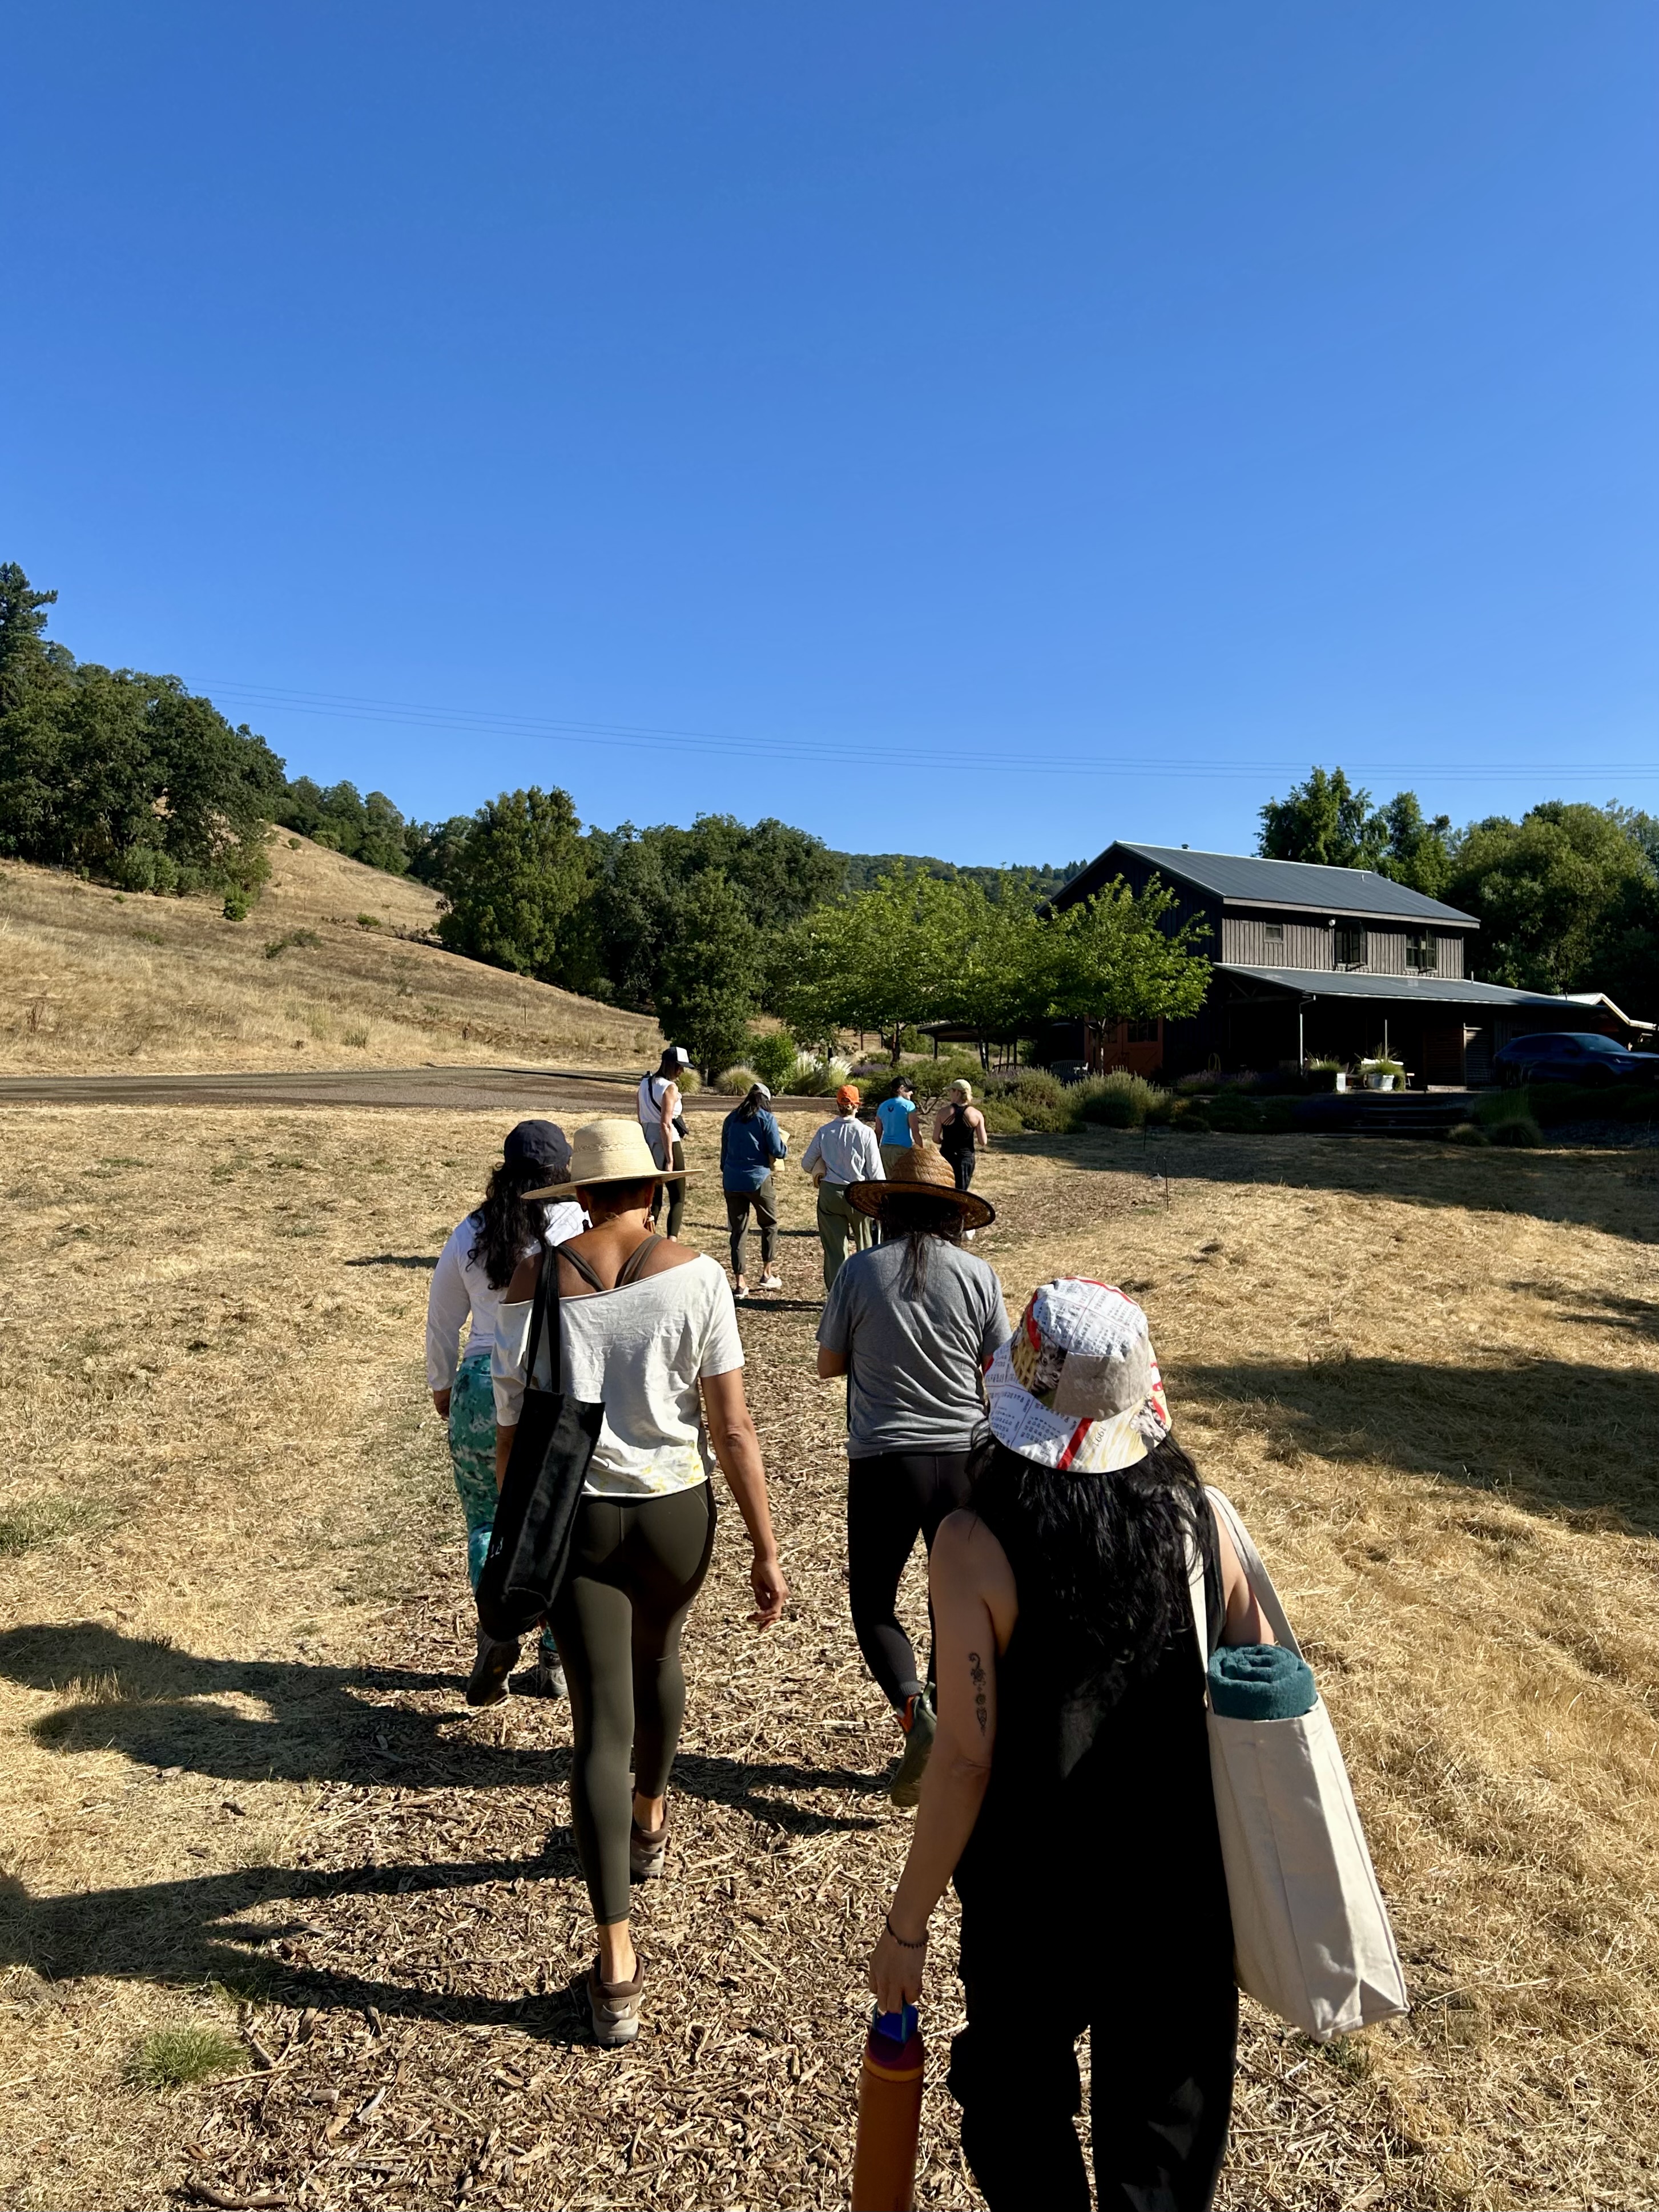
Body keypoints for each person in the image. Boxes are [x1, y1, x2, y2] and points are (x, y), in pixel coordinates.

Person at [868, 1280, 1269, 2212]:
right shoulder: (1203, 1522)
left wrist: (905, 1927)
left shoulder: (972, 1544)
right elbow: (1258, 1697)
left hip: (1029, 1904)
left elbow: (965, 1762)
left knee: (1016, 2113)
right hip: (1178, 1897)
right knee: (1163, 2151)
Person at [492, 1118, 788, 2049]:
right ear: (652, 1191)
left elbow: (514, 1423)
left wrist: (517, 1525)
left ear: (580, 1197)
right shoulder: (699, 1276)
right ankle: (652, 1820)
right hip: (676, 1512)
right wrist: (764, 1546)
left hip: (579, 1518)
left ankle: (616, 1964)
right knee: (662, 1655)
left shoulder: (542, 1277)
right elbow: (732, 1429)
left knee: (596, 1726)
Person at [816, 1145, 1008, 1806]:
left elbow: (827, 1363)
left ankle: (913, 1714)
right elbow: (998, 1366)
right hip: (965, 1458)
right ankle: (949, 1726)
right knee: (951, 1604)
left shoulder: (858, 1271)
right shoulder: (978, 1274)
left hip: (883, 1461)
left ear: (888, 1208)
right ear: (952, 1215)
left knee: (872, 1603)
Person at [425, 1120, 583, 1702]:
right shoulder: (576, 1224)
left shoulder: (472, 1229)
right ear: (563, 1170)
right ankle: (554, 1657)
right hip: (548, 1381)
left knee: (486, 1520)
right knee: (556, 1519)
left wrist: (443, 1386)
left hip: (478, 1381)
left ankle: (496, 1628)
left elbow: (442, 1319)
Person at [799, 1084, 884, 1293]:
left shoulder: (825, 1131)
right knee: (867, 1247)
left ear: (838, 1104)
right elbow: (875, 1172)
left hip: (830, 1193)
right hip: (859, 1195)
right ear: (858, 1105)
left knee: (835, 1249)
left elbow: (806, 1164)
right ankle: (867, 1292)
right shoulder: (865, 1133)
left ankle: (838, 1294)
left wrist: (824, 1166)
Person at [720, 1081, 787, 1296]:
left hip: (732, 1180)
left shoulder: (731, 1119)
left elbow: (723, 1157)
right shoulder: (766, 1119)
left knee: (738, 1231)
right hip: (758, 1179)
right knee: (769, 1224)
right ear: (765, 1100)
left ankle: (740, 1283)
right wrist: (785, 1147)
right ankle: (767, 1273)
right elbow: (777, 1151)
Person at [637, 1046, 690, 1241]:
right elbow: (666, 1124)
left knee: (654, 1196)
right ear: (671, 1065)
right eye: (680, 1066)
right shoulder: (670, 1088)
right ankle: (672, 1240)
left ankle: (645, 1237)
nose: (682, 1071)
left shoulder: (645, 1083)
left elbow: (640, 1115)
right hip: (666, 1140)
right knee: (678, 1197)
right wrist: (670, 1159)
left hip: (646, 1139)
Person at [933, 1080, 989, 1228]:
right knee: (961, 1192)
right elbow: (983, 1141)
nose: (950, 1094)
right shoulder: (976, 1114)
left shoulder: (943, 1112)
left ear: (957, 1093)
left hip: (946, 1156)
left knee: (944, 1190)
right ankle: (958, 1224)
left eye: (951, 1091)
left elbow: (935, 1138)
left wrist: (943, 1140)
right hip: (965, 1158)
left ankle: (943, 1222)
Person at [875, 1076, 917, 1171]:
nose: (912, 1093)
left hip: (885, 1150)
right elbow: (916, 1131)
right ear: (901, 1088)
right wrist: (921, 1152)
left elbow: (878, 1132)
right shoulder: (909, 1105)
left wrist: (875, 1151)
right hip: (903, 1150)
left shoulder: (882, 1106)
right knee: (902, 1183)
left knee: (887, 1182)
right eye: (909, 1090)